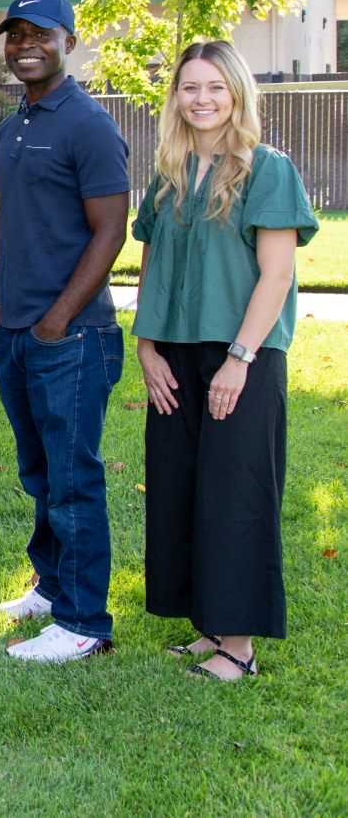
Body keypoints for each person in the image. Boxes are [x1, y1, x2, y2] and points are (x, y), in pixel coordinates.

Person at [132, 41, 316, 681]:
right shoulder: (169, 173)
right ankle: (208, 625)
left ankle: (239, 647)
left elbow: (276, 274)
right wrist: (147, 344)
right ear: (175, 97)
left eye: (215, 87)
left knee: (235, 492)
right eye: (189, 87)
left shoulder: (267, 169)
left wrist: (240, 358)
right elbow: (152, 263)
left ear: (237, 93)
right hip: (174, 352)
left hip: (245, 351)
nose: (202, 99)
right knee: (183, 488)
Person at [0, 0, 128, 663]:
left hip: (72, 335)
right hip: (19, 331)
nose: (24, 45)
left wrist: (58, 320)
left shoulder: (88, 124)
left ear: (68, 39)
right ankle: (50, 584)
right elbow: (25, 224)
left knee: (73, 476)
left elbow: (110, 230)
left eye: (39, 34)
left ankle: (85, 620)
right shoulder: (15, 126)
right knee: (40, 472)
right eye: (14, 35)